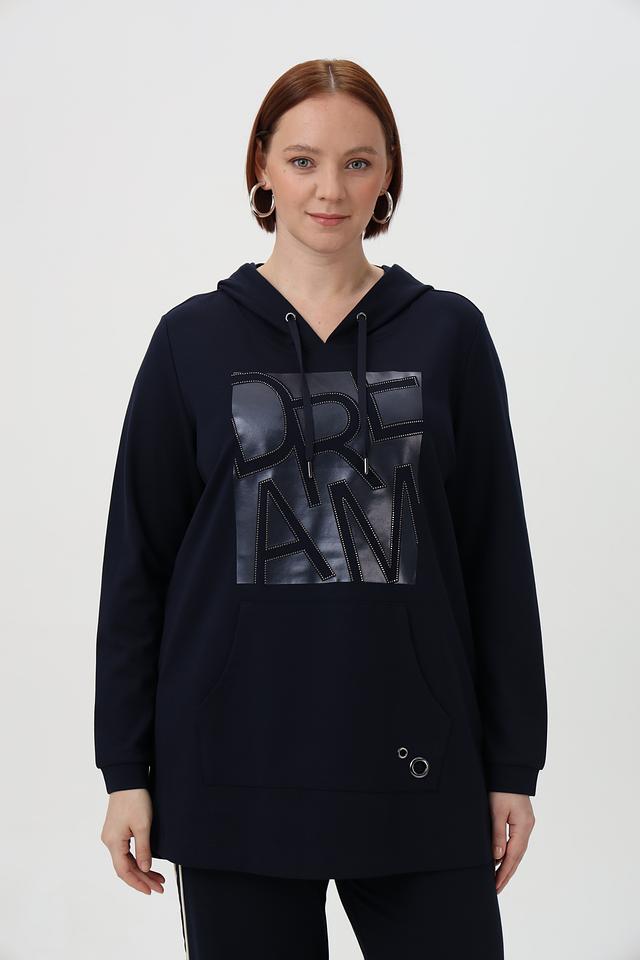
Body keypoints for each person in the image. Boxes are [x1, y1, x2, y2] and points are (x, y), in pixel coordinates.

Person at [94, 58, 548, 959]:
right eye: (303, 161)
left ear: (388, 176)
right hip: (233, 772)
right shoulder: (191, 340)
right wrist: (124, 768)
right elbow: (138, 563)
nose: (329, 190)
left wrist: (512, 764)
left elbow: (497, 558)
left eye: (357, 162)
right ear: (262, 166)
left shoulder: (450, 334)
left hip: (419, 768)